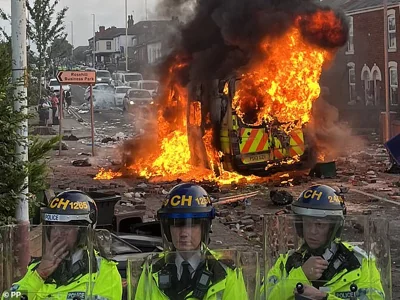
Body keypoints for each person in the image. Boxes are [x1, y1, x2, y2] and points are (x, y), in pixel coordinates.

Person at [263, 184, 385, 300]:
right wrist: (301, 275)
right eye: (307, 224)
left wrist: (323, 298)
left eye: (320, 224)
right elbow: (266, 296)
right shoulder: (285, 263)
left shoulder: (359, 263)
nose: (312, 231)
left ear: (333, 228)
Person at [135, 183, 248, 300]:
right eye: (177, 225)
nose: (184, 233)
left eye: (192, 225)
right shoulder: (152, 270)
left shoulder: (224, 272)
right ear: (168, 231)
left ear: (204, 228)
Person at [4, 190, 122, 300]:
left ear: (83, 232)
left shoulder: (104, 271)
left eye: (65, 228)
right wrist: (39, 276)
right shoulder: (38, 267)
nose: (58, 234)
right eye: (54, 227)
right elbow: (8, 298)